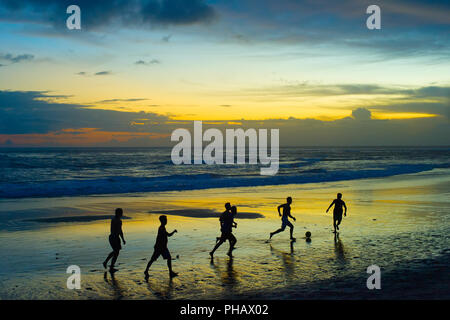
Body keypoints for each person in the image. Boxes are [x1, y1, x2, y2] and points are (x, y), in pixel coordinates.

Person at [144, 215, 178, 280]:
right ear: (162, 221)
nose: (166, 221)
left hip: (162, 247)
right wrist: (174, 231)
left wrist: (173, 232)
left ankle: (170, 272)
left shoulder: (163, 228)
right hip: (160, 248)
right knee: (153, 259)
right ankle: (146, 271)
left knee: (167, 258)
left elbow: (167, 235)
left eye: (166, 220)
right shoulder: (161, 228)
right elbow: (167, 235)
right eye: (165, 220)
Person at [103, 208, 126, 272]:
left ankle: (107, 263)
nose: (122, 214)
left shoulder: (116, 220)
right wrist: (121, 239)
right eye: (121, 213)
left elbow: (120, 231)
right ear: (118, 213)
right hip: (114, 238)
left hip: (114, 237)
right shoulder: (116, 220)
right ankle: (110, 266)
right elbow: (117, 230)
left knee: (116, 252)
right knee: (116, 252)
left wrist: (122, 239)